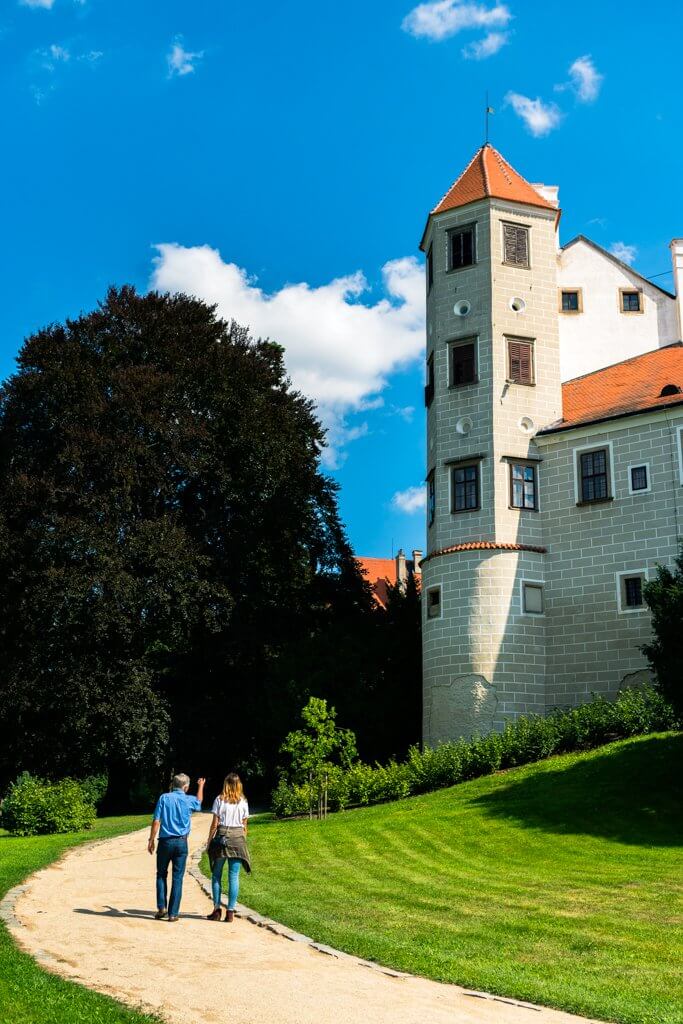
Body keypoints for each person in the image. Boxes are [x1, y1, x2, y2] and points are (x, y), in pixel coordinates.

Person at [148, 773, 205, 922]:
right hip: (181, 842)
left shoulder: (164, 798)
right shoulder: (188, 799)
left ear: (173, 785)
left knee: (161, 874)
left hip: (165, 842)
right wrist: (201, 786)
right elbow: (199, 802)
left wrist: (151, 840)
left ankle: (162, 907)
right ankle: (173, 913)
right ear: (185, 787)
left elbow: (156, 820)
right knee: (177, 877)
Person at [206, 772, 251, 922]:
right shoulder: (243, 801)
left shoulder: (219, 800)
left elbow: (214, 824)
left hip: (222, 837)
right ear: (239, 785)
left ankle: (217, 909)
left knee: (216, 874)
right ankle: (230, 911)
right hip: (238, 838)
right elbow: (245, 825)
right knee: (234, 876)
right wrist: (242, 839)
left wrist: (209, 841)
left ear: (225, 784)